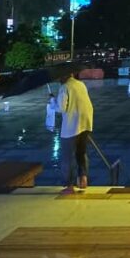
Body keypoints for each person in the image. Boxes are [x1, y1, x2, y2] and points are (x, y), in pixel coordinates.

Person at [57, 67, 94, 195]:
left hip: (71, 127)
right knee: (81, 153)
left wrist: (52, 102)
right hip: (86, 124)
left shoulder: (64, 87)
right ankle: (83, 178)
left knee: (68, 157)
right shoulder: (81, 84)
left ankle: (69, 185)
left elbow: (61, 108)